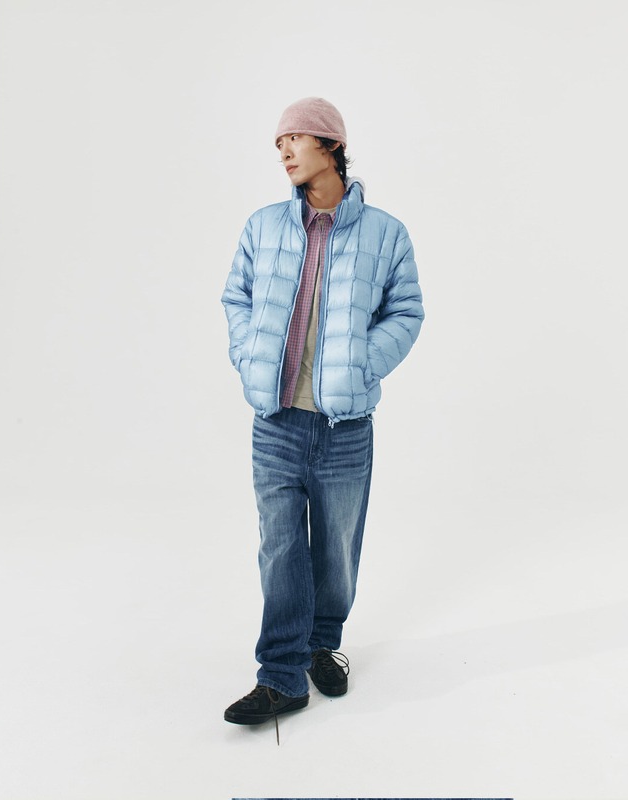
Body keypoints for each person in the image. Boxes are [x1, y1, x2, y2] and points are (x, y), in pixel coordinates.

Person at [221, 97, 424, 729]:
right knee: (281, 548)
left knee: (336, 550)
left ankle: (321, 643)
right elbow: (236, 298)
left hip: (344, 427)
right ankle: (281, 675)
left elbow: (406, 311)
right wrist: (248, 357)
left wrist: (363, 364)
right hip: (276, 420)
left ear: (331, 145)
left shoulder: (385, 233)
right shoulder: (262, 226)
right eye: (278, 143)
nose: (283, 151)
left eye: (294, 138)